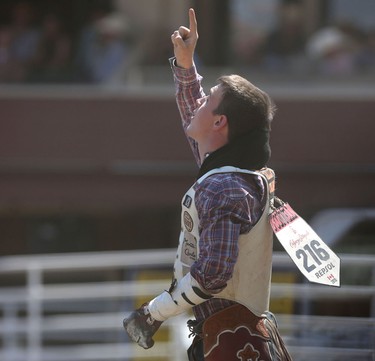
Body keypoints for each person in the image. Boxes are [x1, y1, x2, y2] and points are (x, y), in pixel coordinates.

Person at [123, 8, 292, 361]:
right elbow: (194, 115)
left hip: (230, 341)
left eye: (209, 99)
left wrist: (154, 312)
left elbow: (213, 273)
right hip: (238, 335)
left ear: (219, 122)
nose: (199, 104)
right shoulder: (235, 173)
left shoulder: (223, 186)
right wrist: (186, 64)